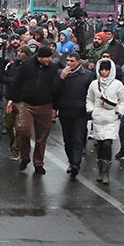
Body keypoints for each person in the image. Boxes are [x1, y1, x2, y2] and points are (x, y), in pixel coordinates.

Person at [7, 45, 59, 175]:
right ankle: (25, 157)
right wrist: (11, 98)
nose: (48, 60)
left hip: (45, 105)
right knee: (24, 130)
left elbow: (56, 88)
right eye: (46, 58)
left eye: (50, 57)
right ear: (39, 57)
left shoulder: (53, 68)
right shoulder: (26, 65)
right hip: (27, 104)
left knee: (42, 136)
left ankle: (38, 163)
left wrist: (55, 107)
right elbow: (17, 81)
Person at [53, 50, 96, 178]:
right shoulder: (60, 73)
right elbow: (55, 91)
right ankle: (71, 161)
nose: (69, 63)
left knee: (78, 138)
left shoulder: (87, 75)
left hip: (80, 112)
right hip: (65, 111)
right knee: (68, 140)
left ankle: (76, 163)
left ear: (78, 62)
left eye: (72, 61)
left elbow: (92, 93)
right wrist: (62, 78)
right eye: (67, 61)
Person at [86, 58, 124, 186]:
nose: (104, 72)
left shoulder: (118, 85)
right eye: (102, 70)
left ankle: (106, 172)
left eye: (106, 70)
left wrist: (119, 112)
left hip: (111, 119)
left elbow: (123, 100)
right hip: (98, 118)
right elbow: (89, 99)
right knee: (100, 144)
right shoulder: (94, 84)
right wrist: (91, 110)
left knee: (108, 144)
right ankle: (100, 170)